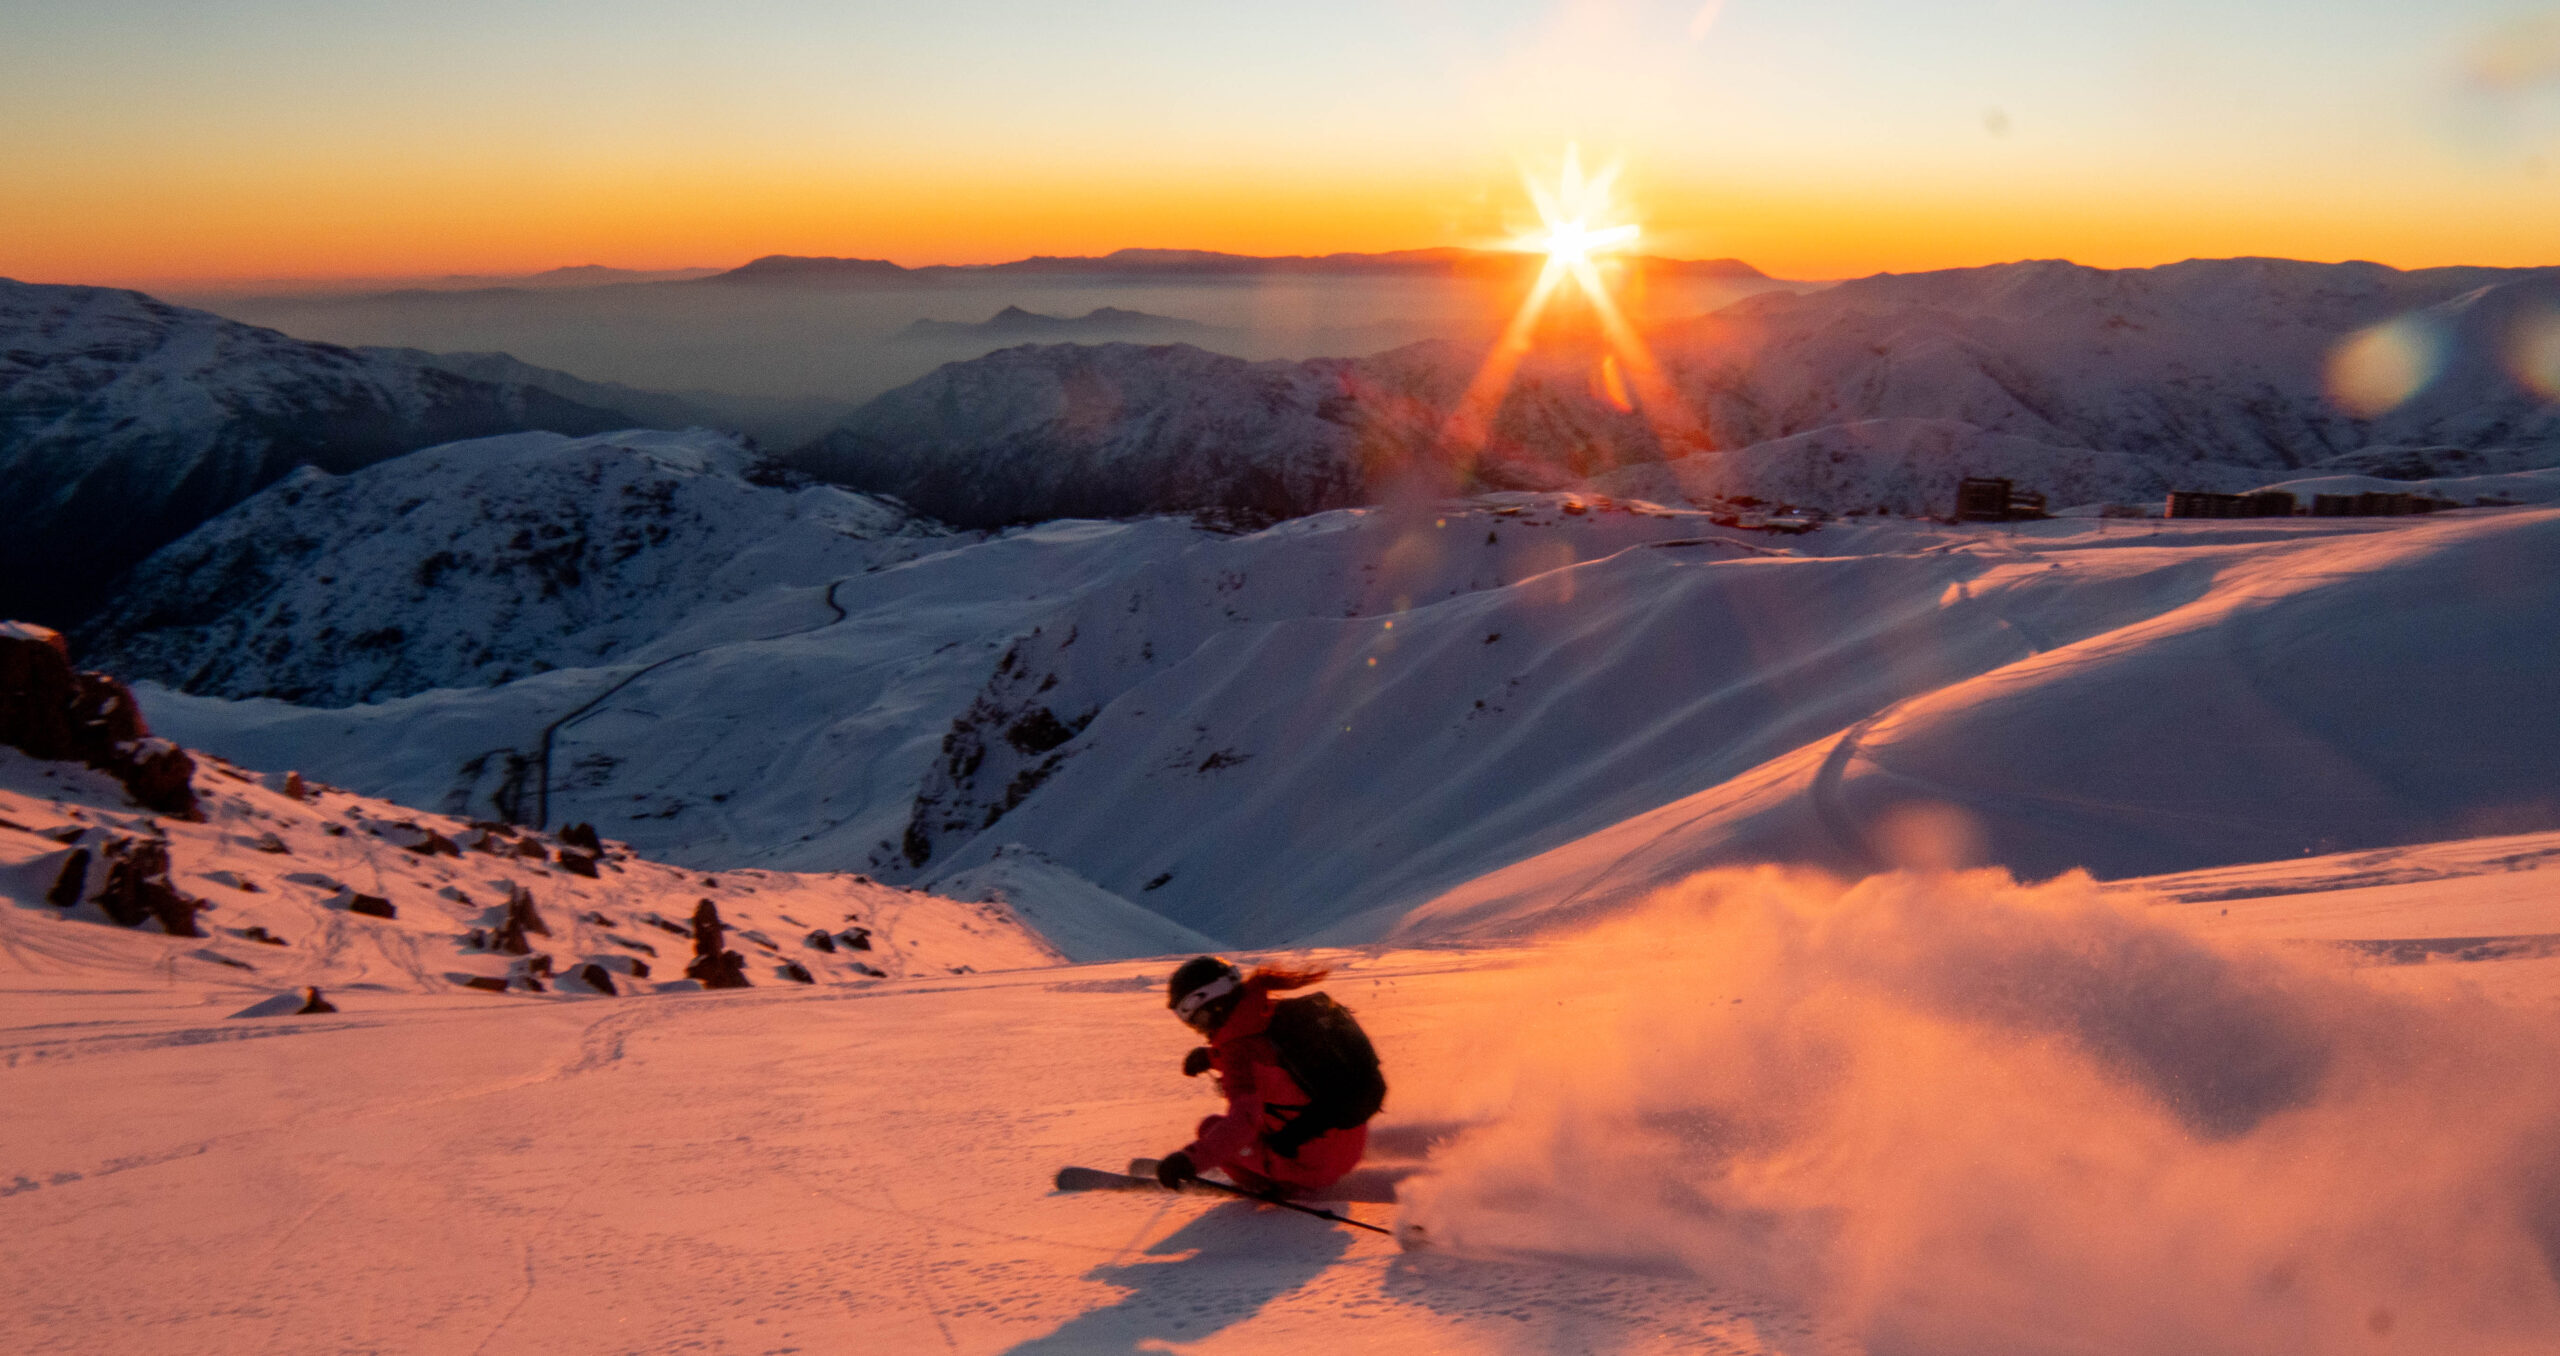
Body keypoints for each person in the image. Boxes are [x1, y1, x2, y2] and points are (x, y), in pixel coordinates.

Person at [1153, 955, 1382, 1199]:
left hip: (1310, 1168)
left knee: (1210, 1128)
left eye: (1198, 1020)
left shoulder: (1239, 1051)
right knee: (1267, 1117)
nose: (1200, 1030)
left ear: (1214, 1005)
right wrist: (1211, 1057)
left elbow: (1244, 1121)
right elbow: (1270, 1060)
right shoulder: (1271, 1014)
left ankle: (1270, 1186)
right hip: (1348, 1145)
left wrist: (1191, 1160)